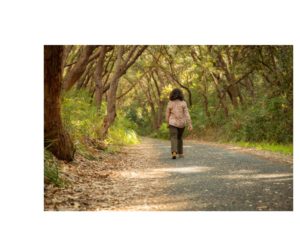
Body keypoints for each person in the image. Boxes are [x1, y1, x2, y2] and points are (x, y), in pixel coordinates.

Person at [165, 88, 193, 159]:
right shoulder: (183, 103)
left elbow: (167, 114)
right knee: (179, 138)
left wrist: (167, 122)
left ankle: (174, 152)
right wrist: (189, 124)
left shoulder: (170, 102)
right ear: (181, 94)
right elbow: (187, 114)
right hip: (181, 124)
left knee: (173, 137)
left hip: (172, 123)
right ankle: (180, 153)